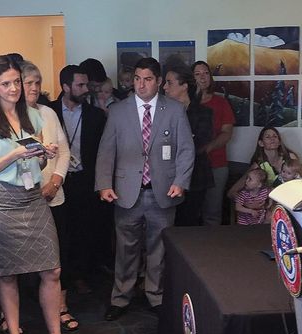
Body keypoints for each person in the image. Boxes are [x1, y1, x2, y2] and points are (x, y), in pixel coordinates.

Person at [0, 55, 74, 334]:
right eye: (6, 84)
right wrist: (13, 155)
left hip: (32, 197)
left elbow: (36, 162)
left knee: (52, 270)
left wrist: (44, 155)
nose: (14, 89)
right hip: (0, 201)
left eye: (16, 82)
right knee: (7, 274)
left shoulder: (33, 115)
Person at [95, 57, 194, 320]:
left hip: (163, 190)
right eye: (137, 79)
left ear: (159, 81)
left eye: (147, 79)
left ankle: (156, 295)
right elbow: (106, 150)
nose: (141, 84)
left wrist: (181, 181)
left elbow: (185, 149)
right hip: (126, 191)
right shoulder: (118, 111)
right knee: (125, 248)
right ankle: (120, 297)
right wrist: (104, 184)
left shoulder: (174, 110)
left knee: (158, 249)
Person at [20, 60, 78, 333]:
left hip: (54, 196)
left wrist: (56, 181)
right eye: (28, 83)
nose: (34, 88)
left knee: (59, 253)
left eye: (38, 83)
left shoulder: (49, 113)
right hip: (21, 200)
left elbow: (64, 152)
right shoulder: (6, 117)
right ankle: (14, 313)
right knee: (21, 257)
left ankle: (61, 306)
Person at [53, 64, 109, 296]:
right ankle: (59, 278)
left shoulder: (95, 115)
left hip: (84, 180)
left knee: (84, 230)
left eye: (86, 84)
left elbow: (103, 152)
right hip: (57, 180)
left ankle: (80, 275)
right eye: (80, 85)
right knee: (60, 231)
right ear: (66, 87)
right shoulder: (49, 112)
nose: (86, 89)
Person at [162, 66, 213, 227]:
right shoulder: (162, 112)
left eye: (169, 82)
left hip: (195, 176)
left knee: (188, 222)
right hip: (166, 176)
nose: (164, 87)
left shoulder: (203, 112)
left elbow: (199, 144)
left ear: (184, 86)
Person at [193, 60, 235, 226]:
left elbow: (227, 133)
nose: (202, 77)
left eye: (206, 73)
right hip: (190, 165)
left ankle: (211, 243)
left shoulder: (221, 103)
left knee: (212, 211)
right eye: (197, 74)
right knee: (190, 211)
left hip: (216, 164)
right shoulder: (184, 103)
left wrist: (206, 149)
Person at [227, 126, 299, 200]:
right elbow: (232, 192)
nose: (272, 138)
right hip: (268, 202)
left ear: (279, 142)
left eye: (275, 136)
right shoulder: (258, 165)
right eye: (268, 137)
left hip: (290, 199)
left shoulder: (290, 157)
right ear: (261, 143)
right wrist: (248, 203)